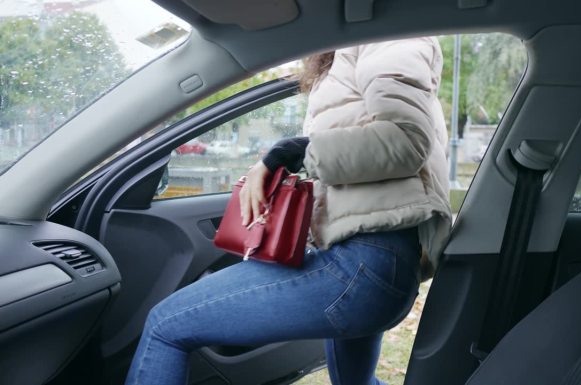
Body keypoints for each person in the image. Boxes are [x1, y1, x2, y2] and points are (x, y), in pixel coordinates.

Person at [125, 37, 452, 385]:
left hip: (364, 262)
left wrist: (291, 152)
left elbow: (404, 141)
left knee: (165, 326)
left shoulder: (389, 35)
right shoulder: (359, 43)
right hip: (368, 259)